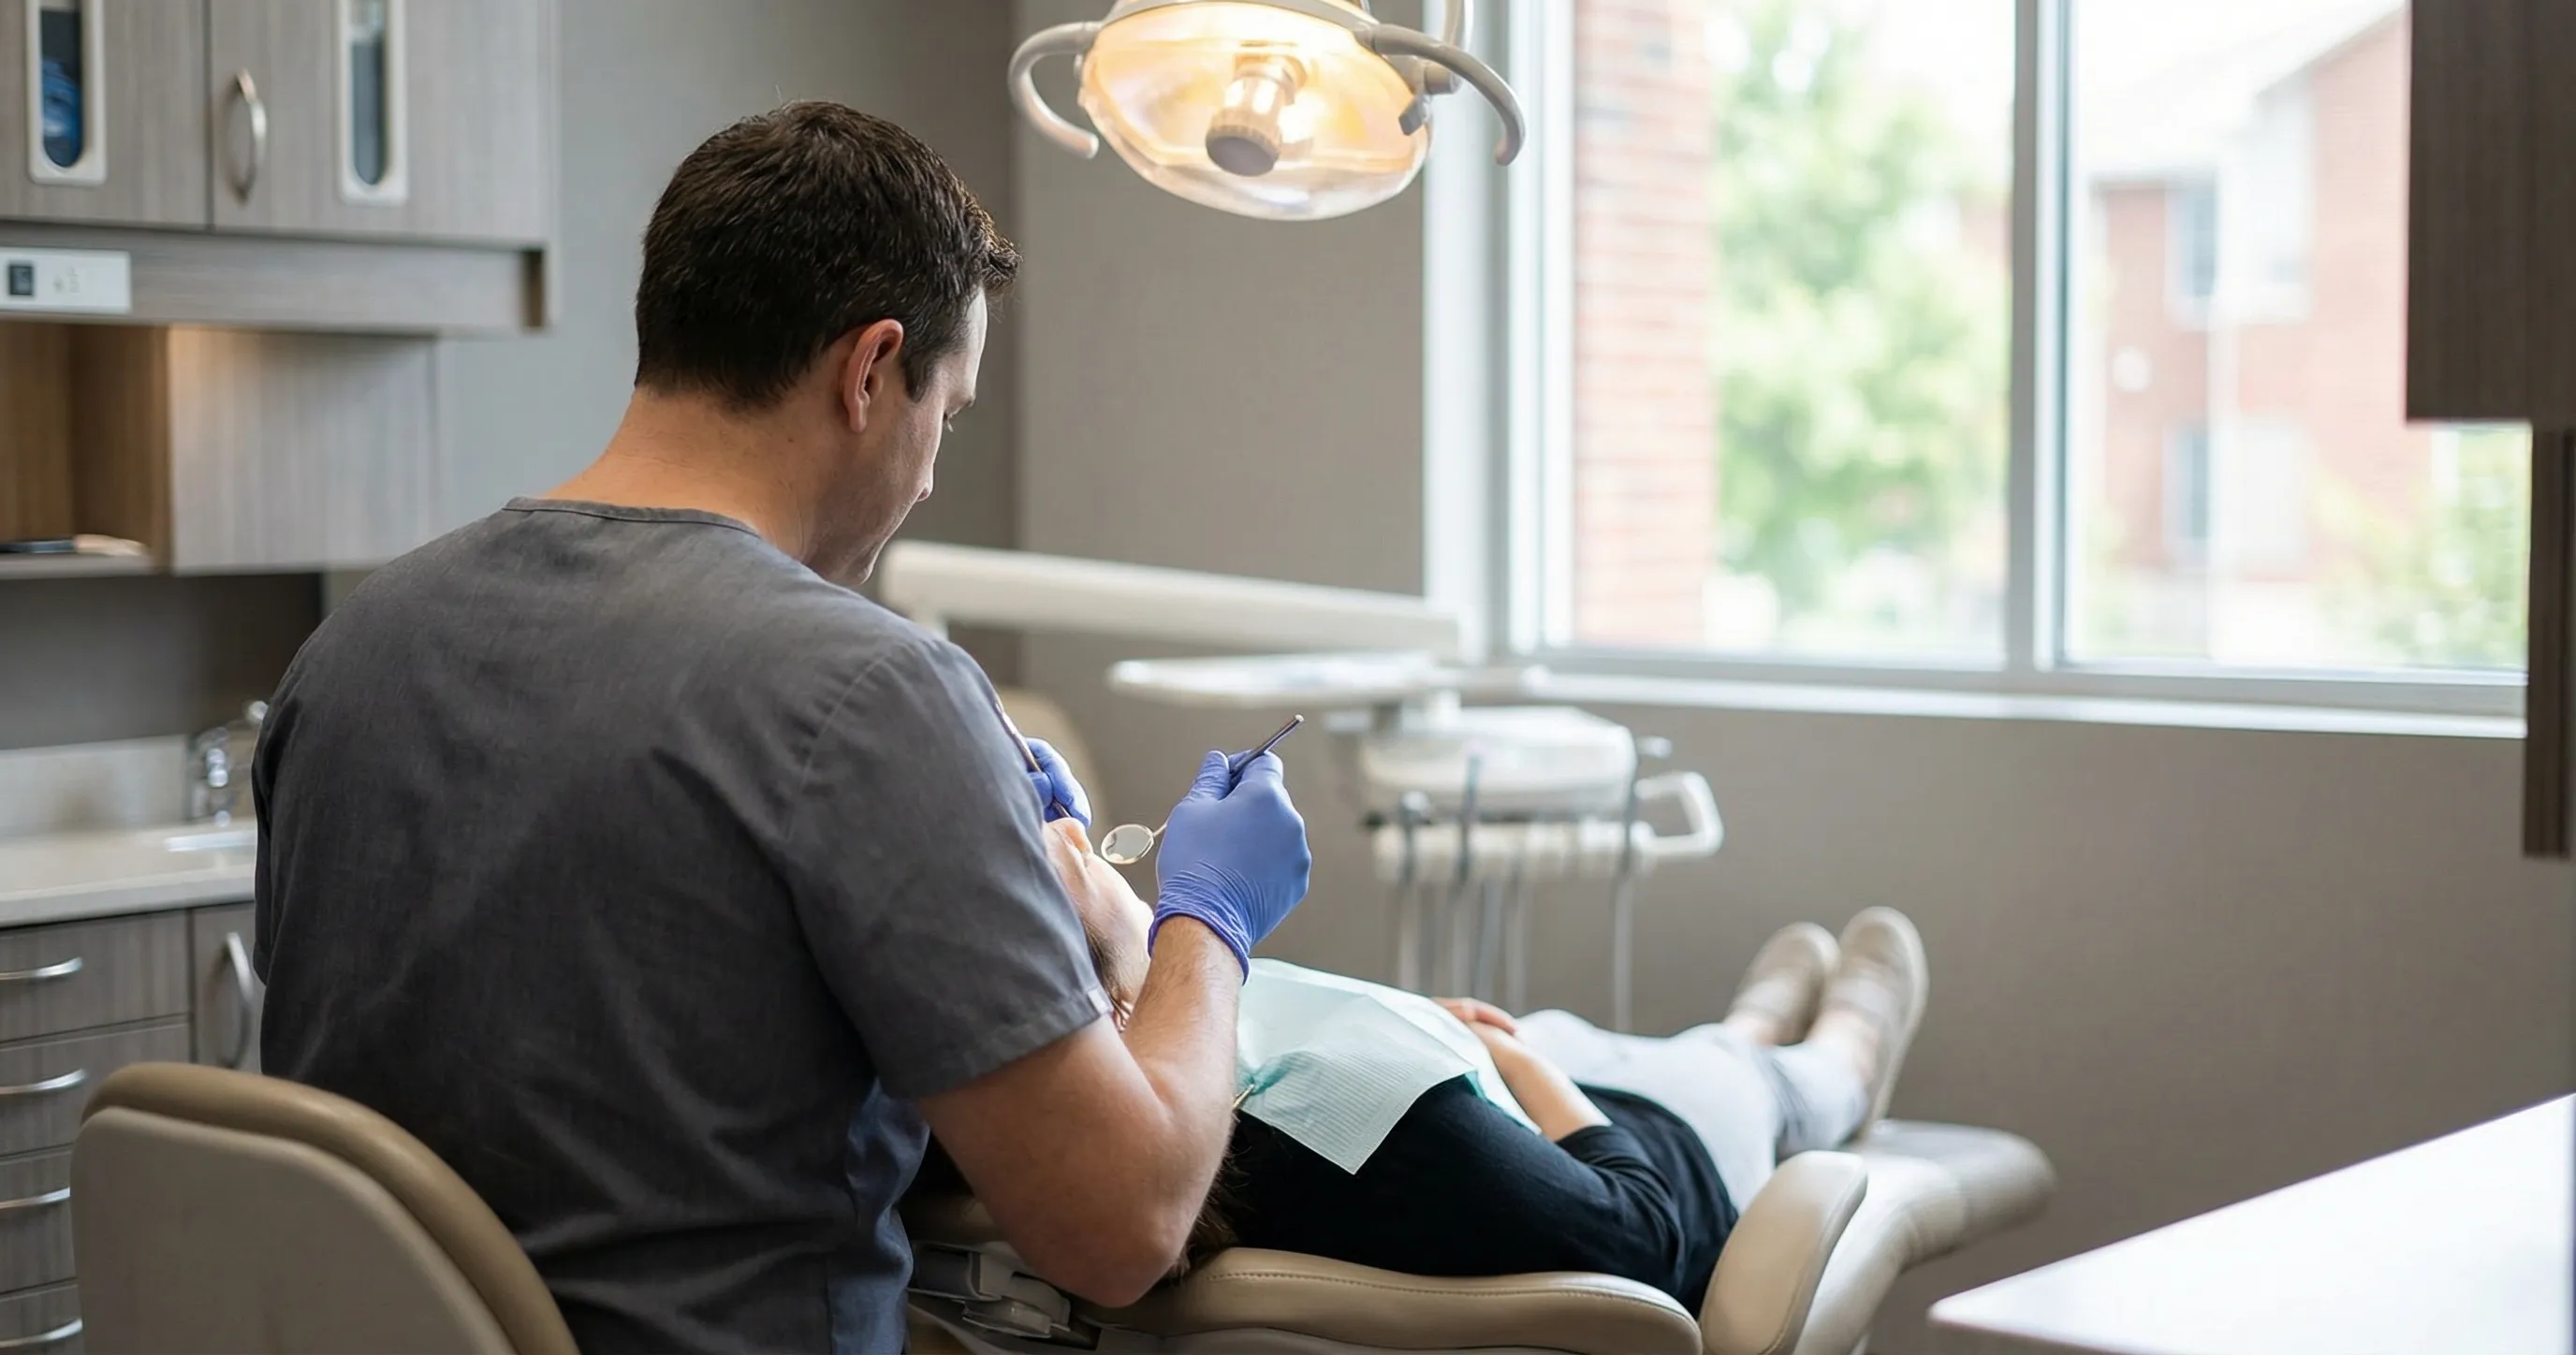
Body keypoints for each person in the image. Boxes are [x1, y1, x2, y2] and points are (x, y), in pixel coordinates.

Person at [252, 103, 1313, 1354]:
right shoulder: (870, 693)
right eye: (949, 414)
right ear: (869, 372)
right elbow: (1122, 1228)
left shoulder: (351, 650)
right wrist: (1209, 920)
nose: (925, 478)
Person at [1027, 814, 1925, 1312]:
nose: (1075, 826)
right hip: (1665, 1163)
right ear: (1111, 1004)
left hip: (1504, 1117)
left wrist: (1439, 1036)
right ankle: (1834, 1053)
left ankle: (1757, 1022)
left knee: (1570, 1029)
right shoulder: (1361, 1128)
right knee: (1742, 1079)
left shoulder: (1169, 1033)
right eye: (1066, 850)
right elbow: (1644, 1231)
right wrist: (1516, 1064)